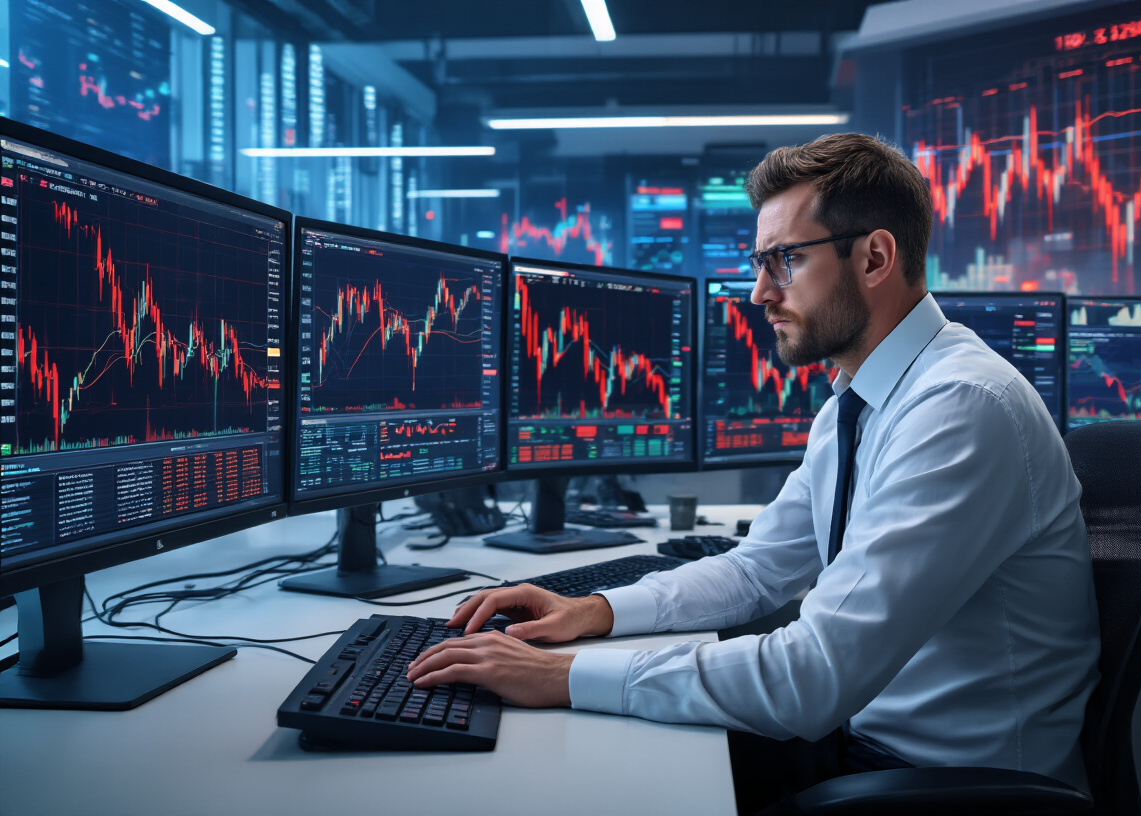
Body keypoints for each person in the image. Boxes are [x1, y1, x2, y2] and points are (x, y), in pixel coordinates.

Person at [406, 133, 1100, 812]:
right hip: (863, 744)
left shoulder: (961, 407)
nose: (758, 291)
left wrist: (564, 675)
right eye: (760, 262)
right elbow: (756, 570)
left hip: (948, 787)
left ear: (876, 257)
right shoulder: (859, 403)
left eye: (784, 261)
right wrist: (592, 613)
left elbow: (814, 674)